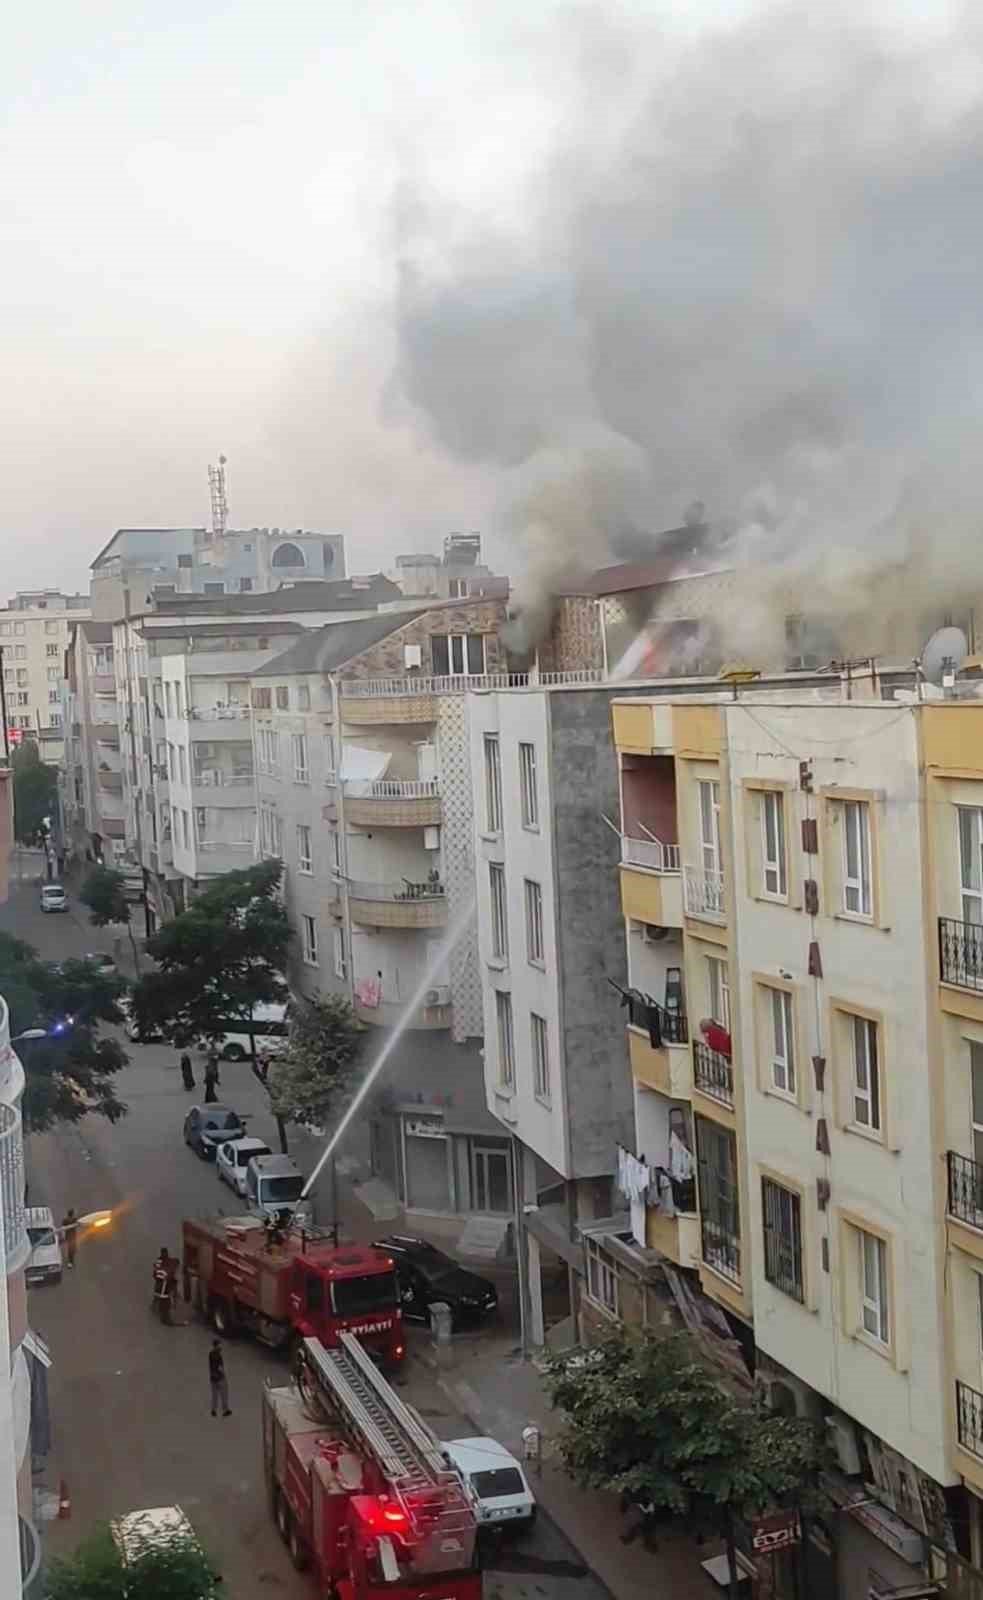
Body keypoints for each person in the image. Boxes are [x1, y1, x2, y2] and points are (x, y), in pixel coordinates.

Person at [209, 1339, 231, 1417]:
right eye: (219, 1345)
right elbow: (220, 1367)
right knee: (224, 1393)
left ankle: (213, 1411)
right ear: (216, 1346)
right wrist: (224, 1375)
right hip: (219, 1377)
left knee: (214, 1395)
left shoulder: (210, 1354)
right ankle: (225, 1410)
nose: (221, 1346)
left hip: (212, 1377)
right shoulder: (218, 1356)